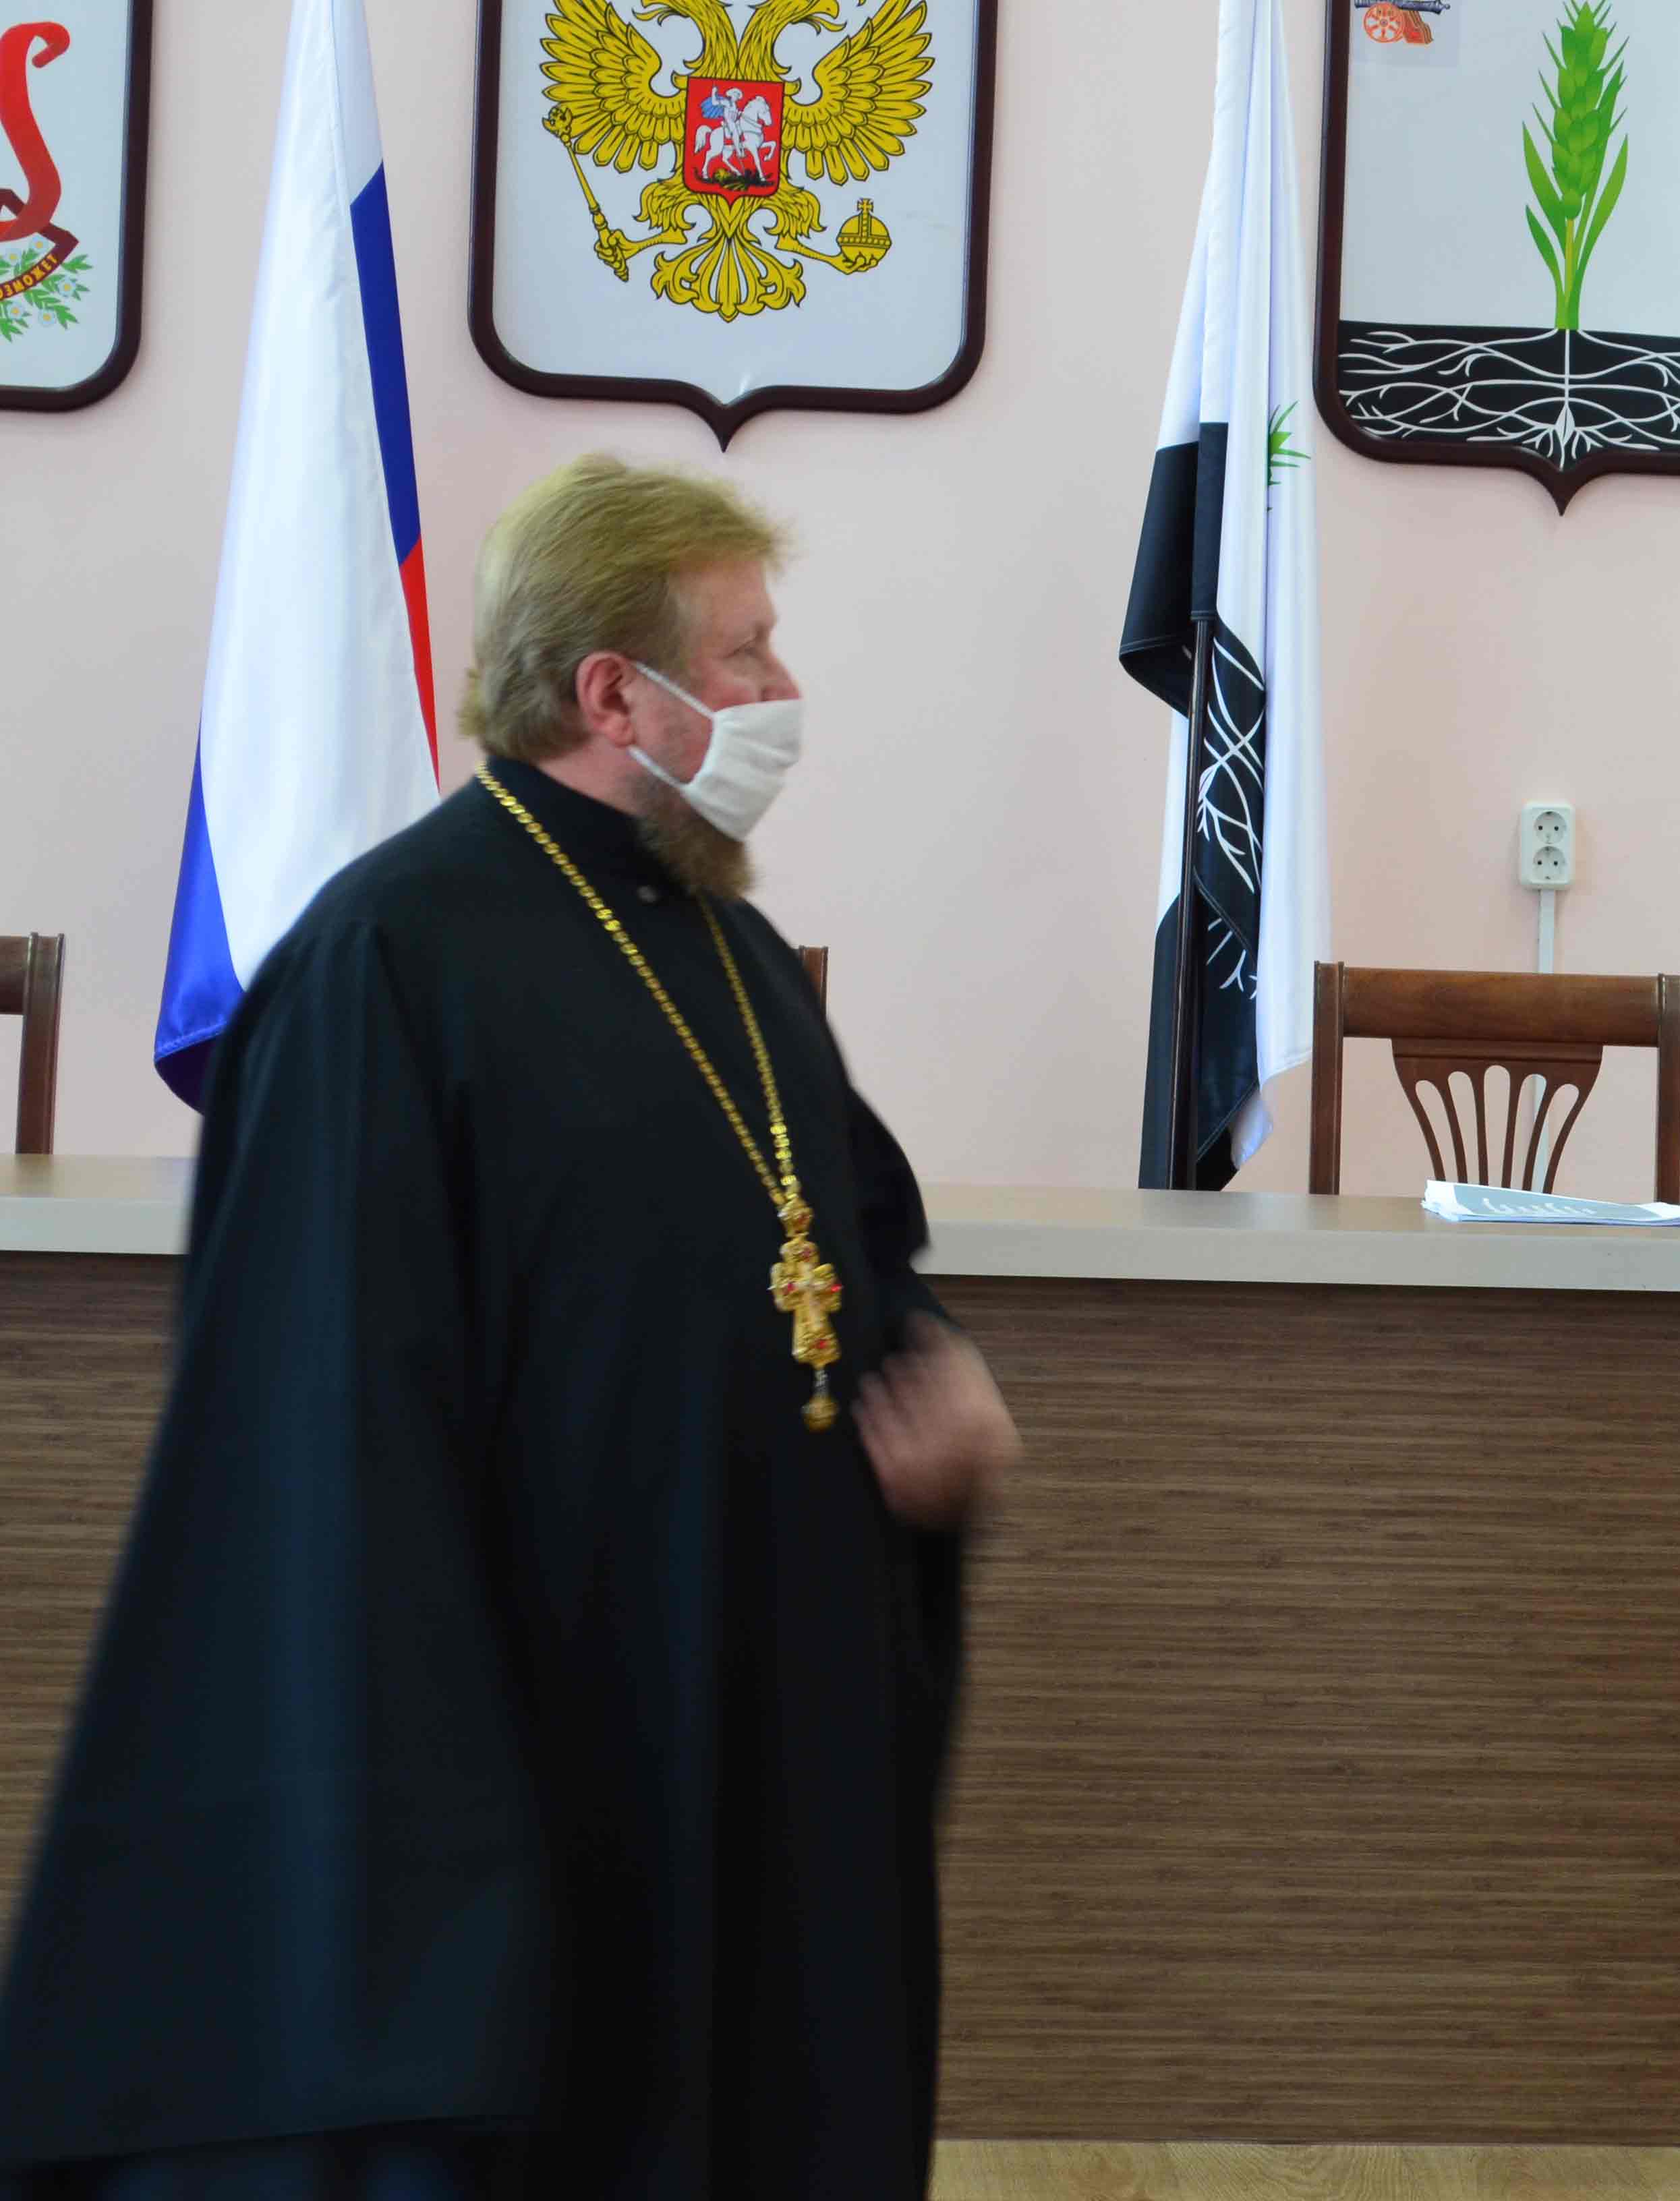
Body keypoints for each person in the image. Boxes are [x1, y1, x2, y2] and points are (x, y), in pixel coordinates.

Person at [0, 456, 1020, 2200]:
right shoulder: (387, 957)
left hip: (756, 1675)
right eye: (747, 651)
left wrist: (922, 1369)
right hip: (540, 1704)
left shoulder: (724, 939)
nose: (783, 691)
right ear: (613, 691)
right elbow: (321, 1399)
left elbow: (833, 1231)